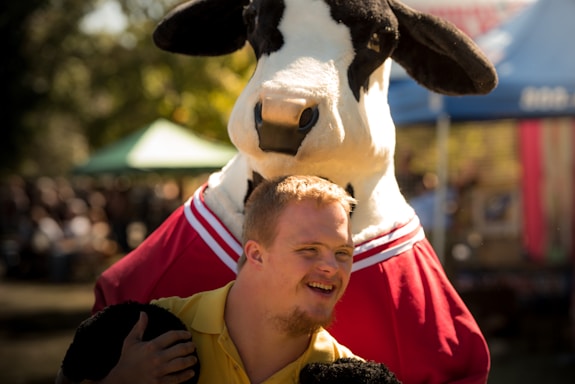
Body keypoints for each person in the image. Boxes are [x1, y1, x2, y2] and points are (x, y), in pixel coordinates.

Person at [60, 175, 359, 383]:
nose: (332, 267)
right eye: (310, 249)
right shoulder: (148, 331)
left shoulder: (348, 376)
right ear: (255, 255)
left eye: (343, 252)